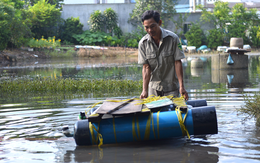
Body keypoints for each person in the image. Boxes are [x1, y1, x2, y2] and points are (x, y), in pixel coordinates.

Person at [138, 10, 189, 100]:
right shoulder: (143, 43)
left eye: (153, 26)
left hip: (171, 88)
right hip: (153, 89)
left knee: (172, 112)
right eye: (146, 27)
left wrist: (181, 86)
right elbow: (146, 68)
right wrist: (144, 90)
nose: (150, 30)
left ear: (159, 23)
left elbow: (178, 62)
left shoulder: (173, 39)